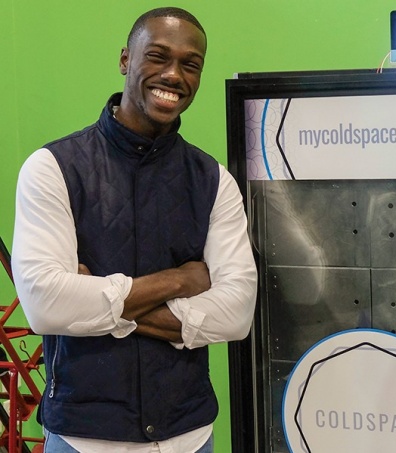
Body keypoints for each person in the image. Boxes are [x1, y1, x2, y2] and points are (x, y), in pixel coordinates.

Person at [11, 7, 257, 453]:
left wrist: (92, 305)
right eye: (158, 56)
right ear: (126, 59)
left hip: (189, 437)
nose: (173, 75)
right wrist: (180, 280)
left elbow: (237, 313)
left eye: (190, 64)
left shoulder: (213, 180)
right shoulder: (52, 168)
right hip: (83, 439)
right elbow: (45, 305)